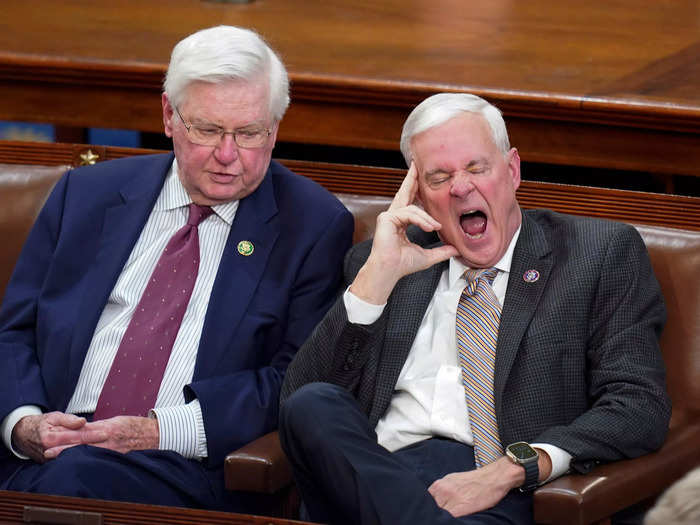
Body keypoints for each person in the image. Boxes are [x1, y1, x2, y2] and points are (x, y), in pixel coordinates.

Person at [0, 25, 354, 513]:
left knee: (76, 480)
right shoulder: (86, 195)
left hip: (179, 465)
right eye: (207, 130)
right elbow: (14, 331)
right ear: (168, 115)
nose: (229, 156)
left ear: (275, 126)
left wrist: (160, 429)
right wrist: (23, 423)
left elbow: (293, 380)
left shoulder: (311, 226)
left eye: (250, 133)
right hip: (40, 447)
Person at [279, 93, 670, 524]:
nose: (461, 187)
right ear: (420, 197)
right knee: (312, 403)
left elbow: (638, 405)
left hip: (499, 494)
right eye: (439, 177)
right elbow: (298, 408)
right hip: (376, 477)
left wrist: (511, 468)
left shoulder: (596, 255)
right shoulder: (383, 264)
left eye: (476, 168)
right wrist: (377, 277)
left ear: (512, 170)